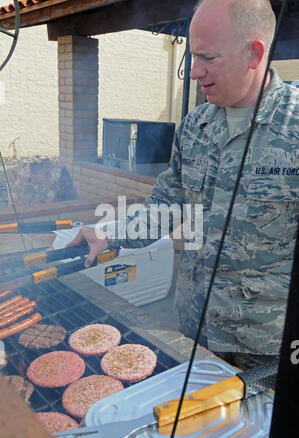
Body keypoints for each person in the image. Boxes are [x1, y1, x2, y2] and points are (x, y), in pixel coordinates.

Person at [67, 0, 299, 370]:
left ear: (255, 53)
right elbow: (165, 206)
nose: (194, 72)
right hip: (193, 331)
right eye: (192, 56)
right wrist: (107, 234)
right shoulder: (195, 127)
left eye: (208, 57)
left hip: (264, 349)